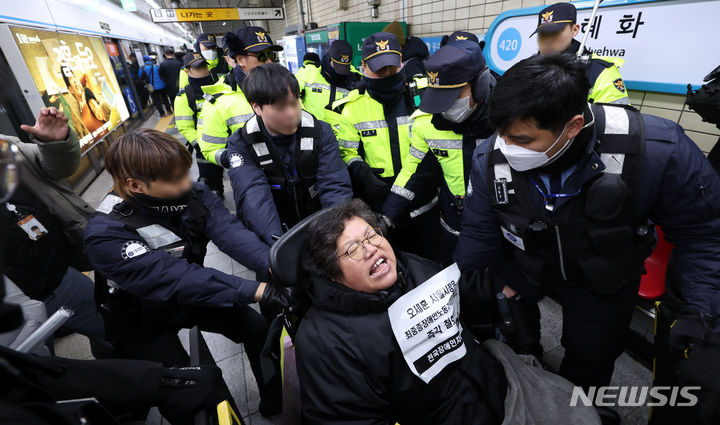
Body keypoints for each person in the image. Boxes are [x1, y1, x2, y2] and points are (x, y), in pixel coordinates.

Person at [454, 53, 720, 423]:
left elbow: (705, 236)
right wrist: (468, 295)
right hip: (526, 269)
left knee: (591, 358)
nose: (504, 145)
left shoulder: (656, 148)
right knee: (516, 332)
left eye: (521, 138)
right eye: (500, 132)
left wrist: (704, 317)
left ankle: (583, 411)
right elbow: (478, 234)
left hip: (603, 279)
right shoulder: (492, 155)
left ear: (573, 126)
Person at [294, 199, 604, 425]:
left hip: (493, 380)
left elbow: (460, 287)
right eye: (352, 249)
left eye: (372, 234)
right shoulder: (324, 342)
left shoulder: (410, 266)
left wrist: (506, 283)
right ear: (331, 273)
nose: (371, 248)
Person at [84, 129, 293, 416]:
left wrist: (275, 266)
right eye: (176, 179)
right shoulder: (105, 234)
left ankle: (276, 403)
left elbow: (229, 232)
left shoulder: (192, 193)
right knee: (190, 388)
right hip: (140, 318)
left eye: (187, 172)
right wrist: (257, 290)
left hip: (189, 296)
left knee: (258, 330)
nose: (188, 183)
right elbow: (174, 277)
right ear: (135, 185)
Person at [2, 107, 109, 356]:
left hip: (61, 275)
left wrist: (54, 144)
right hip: (13, 309)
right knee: (42, 374)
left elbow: (54, 168)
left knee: (113, 330)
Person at [384, 40, 496, 265]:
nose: (446, 107)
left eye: (454, 96)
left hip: (495, 230)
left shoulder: (508, 122)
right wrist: (387, 216)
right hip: (451, 225)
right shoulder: (427, 123)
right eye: (441, 98)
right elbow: (413, 171)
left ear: (481, 84)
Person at [333, 32, 441, 260]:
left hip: (425, 201)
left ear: (401, 63)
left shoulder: (424, 93)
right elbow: (347, 151)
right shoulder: (353, 107)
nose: (387, 74)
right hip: (382, 204)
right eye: (379, 69)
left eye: (392, 68)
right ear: (363, 66)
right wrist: (361, 171)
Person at [226, 64, 352, 245]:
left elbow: (335, 186)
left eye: (294, 103)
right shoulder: (241, 144)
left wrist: (335, 235)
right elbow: (254, 197)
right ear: (257, 107)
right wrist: (279, 245)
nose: (291, 113)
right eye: (280, 107)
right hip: (274, 233)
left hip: (320, 228)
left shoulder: (321, 132)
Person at [198, 26, 282, 168]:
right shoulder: (219, 101)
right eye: (262, 56)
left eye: (272, 55)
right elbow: (210, 150)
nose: (269, 62)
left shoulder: (284, 86)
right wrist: (238, 159)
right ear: (241, 60)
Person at [533, 2, 630, 105]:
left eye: (554, 32)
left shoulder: (599, 71)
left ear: (574, 30)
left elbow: (617, 117)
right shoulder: (531, 66)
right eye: (543, 34)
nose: (548, 40)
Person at [174, 52, 229, 199]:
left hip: (230, 142)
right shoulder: (184, 97)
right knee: (212, 183)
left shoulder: (222, 84)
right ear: (187, 71)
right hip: (204, 148)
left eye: (204, 65)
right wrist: (201, 146)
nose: (203, 70)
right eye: (197, 67)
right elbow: (185, 127)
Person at [295, 40, 361, 124]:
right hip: (313, 132)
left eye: (344, 67)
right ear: (329, 59)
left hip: (341, 134)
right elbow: (290, 98)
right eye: (337, 66)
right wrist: (306, 122)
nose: (340, 72)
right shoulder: (308, 73)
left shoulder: (355, 77)